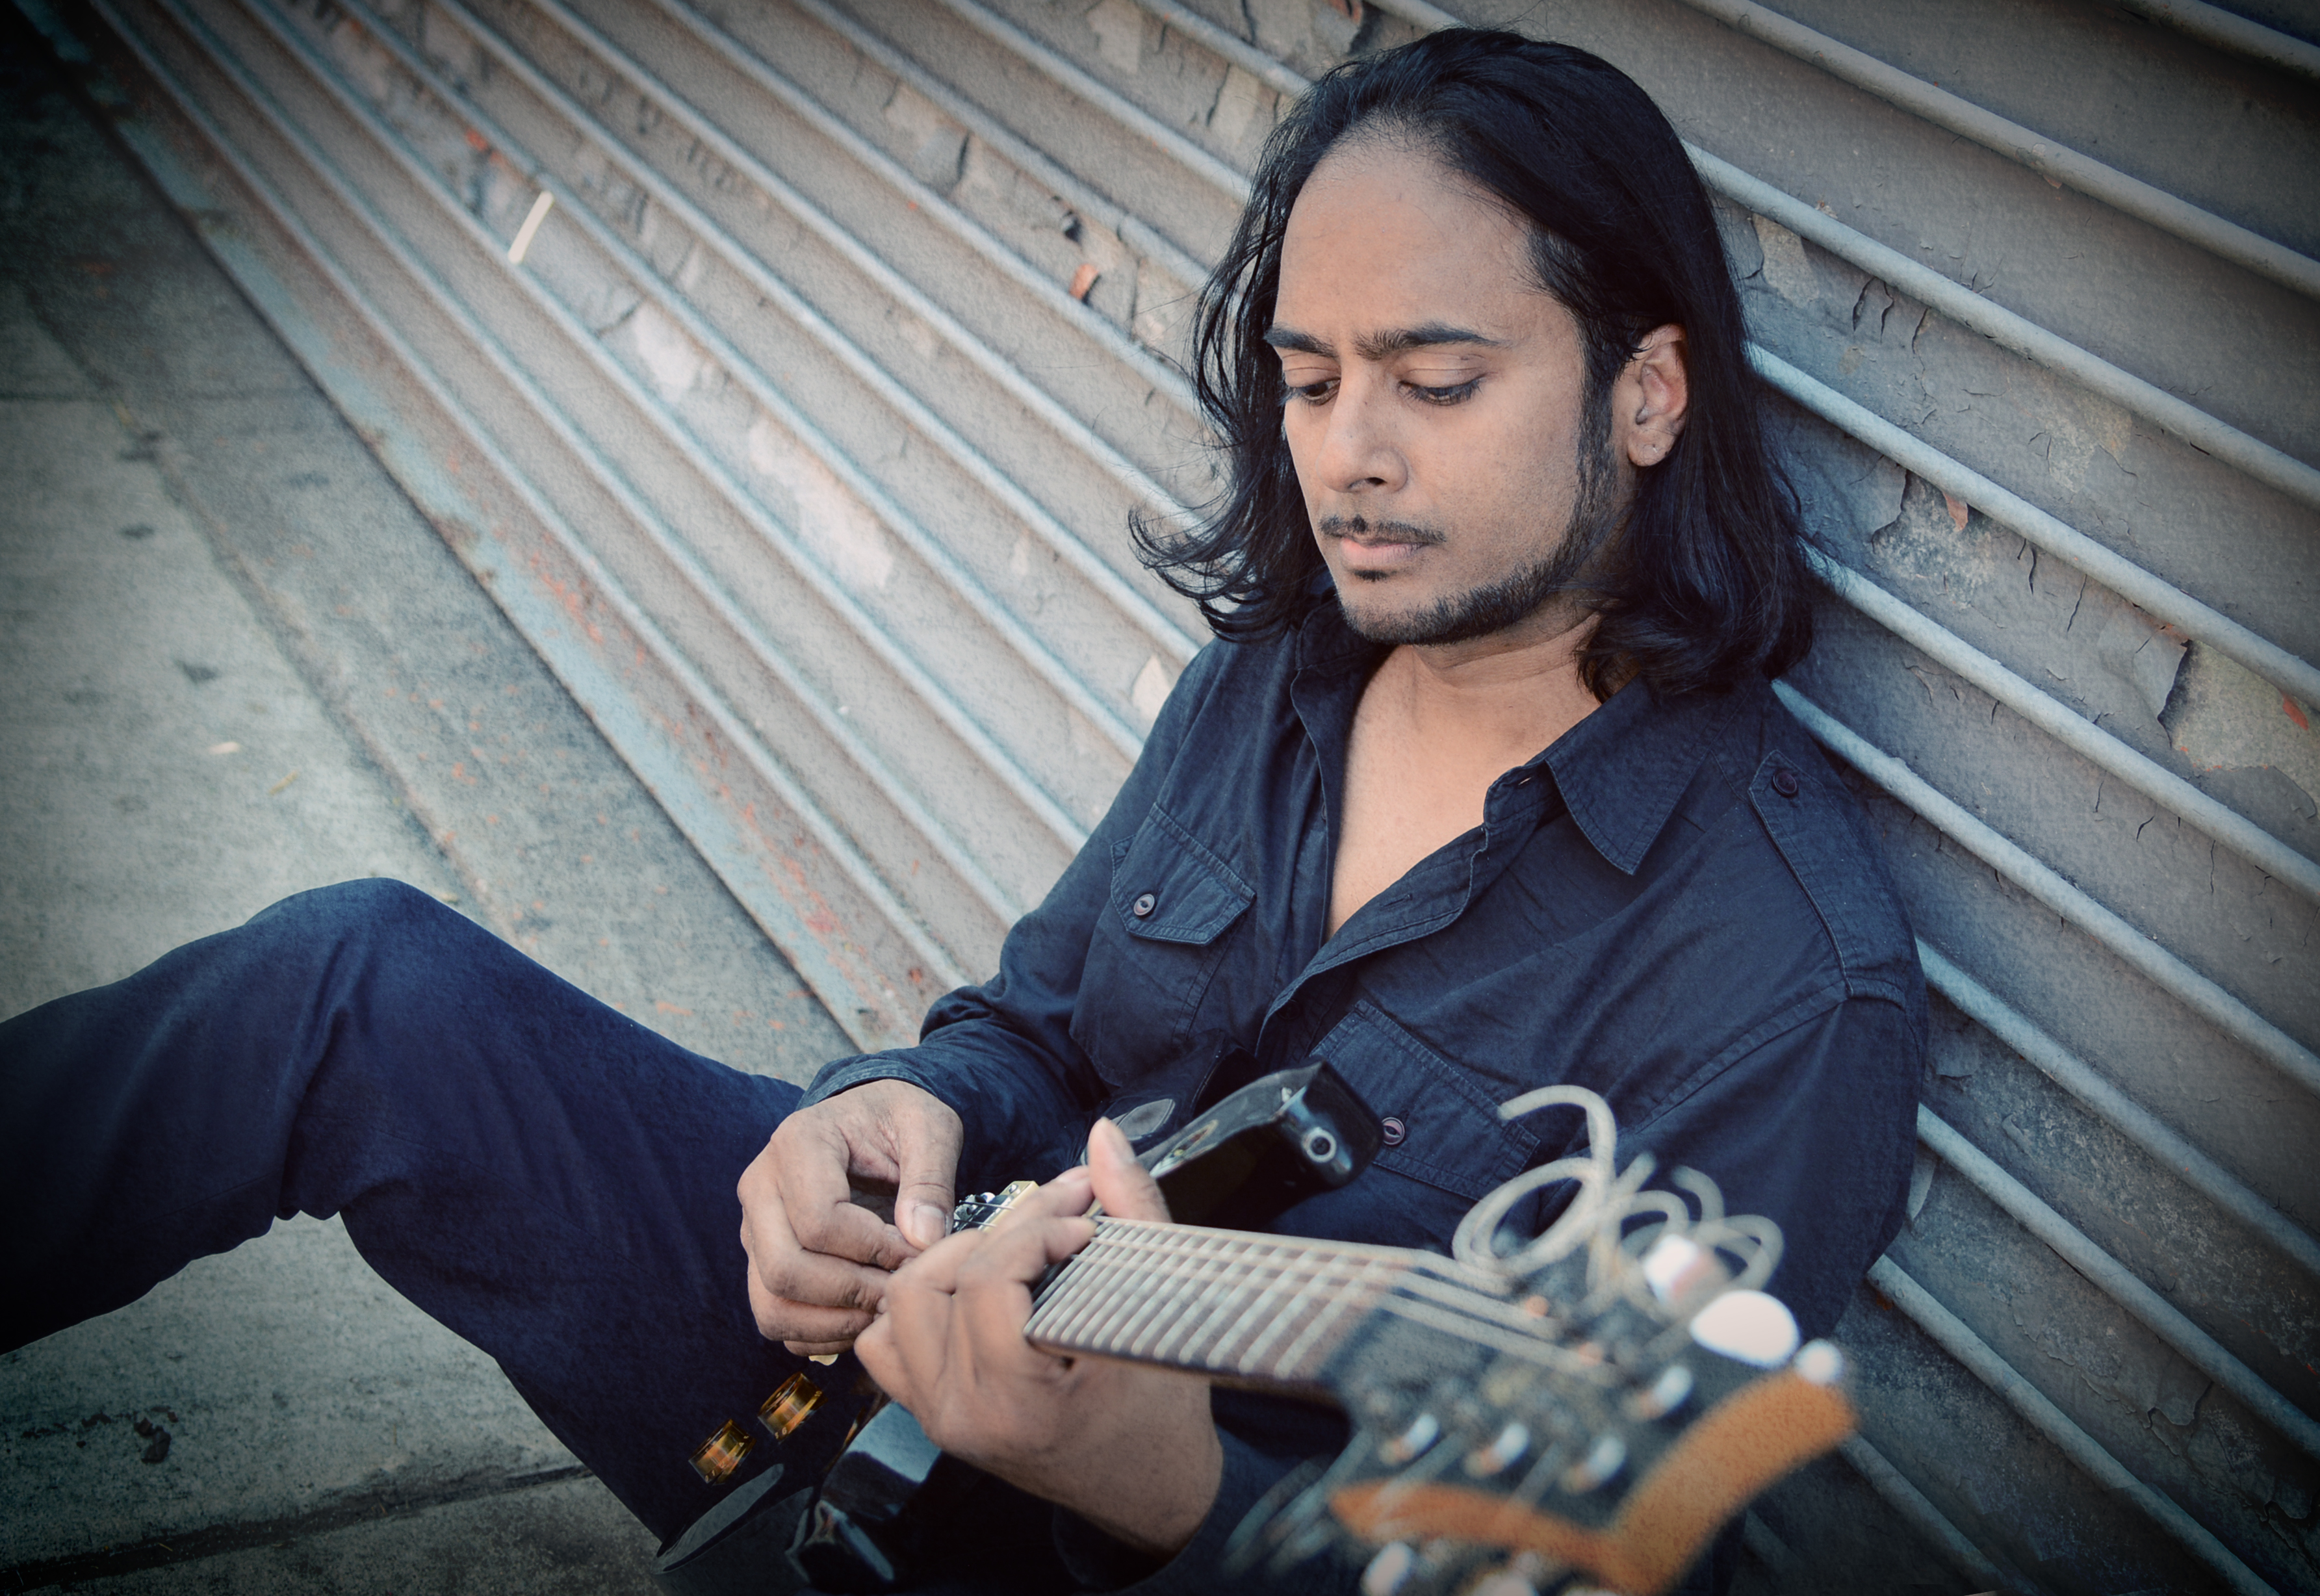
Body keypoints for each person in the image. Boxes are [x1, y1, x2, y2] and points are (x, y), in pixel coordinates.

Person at [0, 27, 1922, 1596]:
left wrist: (1169, 1484)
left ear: (1647, 395)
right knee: (358, 985)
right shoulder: (1281, 677)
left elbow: (1599, 1561)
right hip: (890, 1362)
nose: (1345, 455)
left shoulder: (1780, 986)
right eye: (1309, 379)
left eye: (1434, 382)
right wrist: (887, 1113)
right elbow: (1038, 1036)